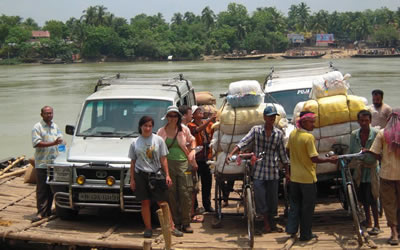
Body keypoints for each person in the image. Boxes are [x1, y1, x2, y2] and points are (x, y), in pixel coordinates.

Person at [227, 105, 289, 233]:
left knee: (273, 199)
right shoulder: (256, 130)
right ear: (264, 117)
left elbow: (283, 155)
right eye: (270, 116)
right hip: (259, 171)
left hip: (272, 171)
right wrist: (231, 153)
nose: (272, 119)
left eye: (273, 117)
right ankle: (266, 222)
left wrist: (287, 172)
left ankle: (272, 222)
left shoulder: (278, 134)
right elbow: (244, 142)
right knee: (260, 197)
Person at [286, 111, 337, 241]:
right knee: (307, 208)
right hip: (307, 178)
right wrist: (329, 160)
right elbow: (314, 158)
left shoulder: (292, 134)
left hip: (295, 178)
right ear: (303, 122)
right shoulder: (308, 138)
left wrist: (295, 159)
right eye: (311, 122)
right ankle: (305, 234)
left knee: (295, 205)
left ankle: (291, 230)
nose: (313, 124)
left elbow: (287, 150)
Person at [129, 116, 182, 238]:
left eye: (150, 126)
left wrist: (167, 175)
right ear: (140, 127)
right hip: (140, 174)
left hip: (156, 174)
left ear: (152, 127)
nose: (147, 128)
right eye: (145, 126)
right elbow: (132, 162)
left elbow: (164, 159)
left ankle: (172, 227)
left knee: (162, 201)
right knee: (145, 202)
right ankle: (148, 228)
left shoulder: (158, 140)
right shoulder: (135, 142)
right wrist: (132, 179)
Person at [157, 106, 196, 233]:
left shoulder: (184, 129)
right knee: (171, 194)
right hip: (168, 165)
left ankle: (186, 222)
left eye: (175, 116)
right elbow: (156, 147)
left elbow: (193, 140)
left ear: (178, 117)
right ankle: (176, 222)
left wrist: (193, 152)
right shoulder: (161, 131)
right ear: (167, 117)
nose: (172, 118)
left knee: (185, 193)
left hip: (183, 163)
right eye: (170, 116)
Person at [366, 108, 400, 246]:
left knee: (389, 204)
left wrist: (382, 158)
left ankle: (394, 233)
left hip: (387, 175)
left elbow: (374, 152)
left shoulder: (382, 133)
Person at [349, 110, 381, 235]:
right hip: (360, 170)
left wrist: (368, 151)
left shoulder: (377, 134)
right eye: (361, 120)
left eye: (366, 120)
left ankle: (377, 224)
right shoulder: (354, 135)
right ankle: (368, 221)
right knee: (363, 197)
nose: (363, 123)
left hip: (372, 169)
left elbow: (380, 154)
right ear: (358, 121)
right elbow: (352, 151)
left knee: (373, 197)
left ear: (370, 121)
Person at [31, 106, 63, 222]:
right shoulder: (37, 127)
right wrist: (52, 143)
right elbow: (37, 143)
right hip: (42, 163)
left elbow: (60, 141)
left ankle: (49, 211)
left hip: (54, 163)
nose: (49, 115)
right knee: (42, 189)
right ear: (42, 115)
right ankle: (40, 213)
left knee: (52, 188)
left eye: (50, 113)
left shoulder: (55, 126)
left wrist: (63, 152)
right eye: (46, 113)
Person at [187, 105, 216, 213]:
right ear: (193, 115)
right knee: (194, 184)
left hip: (206, 158)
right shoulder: (190, 125)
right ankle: (194, 206)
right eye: (198, 111)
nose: (201, 112)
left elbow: (214, 133)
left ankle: (207, 205)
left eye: (201, 111)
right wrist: (209, 120)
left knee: (207, 183)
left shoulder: (209, 125)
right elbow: (197, 130)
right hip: (196, 159)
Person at [178, 105, 204, 223]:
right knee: (191, 189)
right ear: (184, 116)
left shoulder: (179, 128)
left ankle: (188, 213)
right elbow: (188, 147)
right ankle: (190, 214)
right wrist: (193, 162)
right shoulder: (184, 129)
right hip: (186, 164)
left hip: (181, 163)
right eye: (190, 114)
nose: (191, 116)